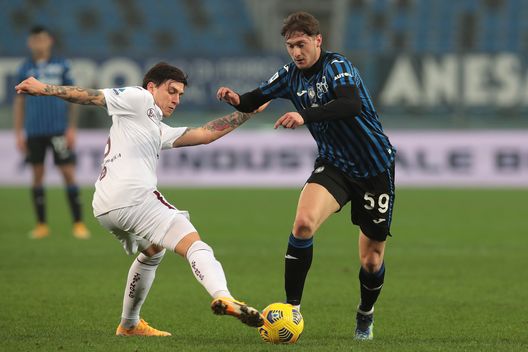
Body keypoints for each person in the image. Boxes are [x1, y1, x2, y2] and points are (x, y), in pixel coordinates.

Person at [15, 62, 267, 336]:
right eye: (171, 91)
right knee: (194, 244)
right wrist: (45, 89)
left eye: (180, 95)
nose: (176, 99)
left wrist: (246, 112)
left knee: (153, 251)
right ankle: (224, 296)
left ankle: (130, 324)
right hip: (133, 198)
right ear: (151, 87)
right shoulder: (138, 97)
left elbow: (205, 134)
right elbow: (91, 96)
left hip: (105, 207)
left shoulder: (155, 127)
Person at [217, 11, 396, 340]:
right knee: (302, 224)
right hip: (334, 164)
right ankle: (291, 310)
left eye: (301, 44)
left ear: (318, 41)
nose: (296, 52)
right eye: (290, 46)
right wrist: (237, 99)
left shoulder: (336, 67)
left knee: (371, 260)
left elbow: (350, 105)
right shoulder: (290, 74)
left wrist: (304, 115)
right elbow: (257, 96)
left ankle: (365, 314)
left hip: (374, 169)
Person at [13, 25, 89, 239]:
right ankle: (41, 225)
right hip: (35, 131)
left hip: (58, 130)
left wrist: (71, 128)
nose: (39, 44)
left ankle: (78, 223)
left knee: (67, 172)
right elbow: (19, 103)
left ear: (50, 41)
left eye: (42, 40)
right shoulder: (24, 68)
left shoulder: (62, 65)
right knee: (37, 175)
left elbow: (74, 97)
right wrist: (19, 133)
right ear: (30, 43)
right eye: (35, 40)